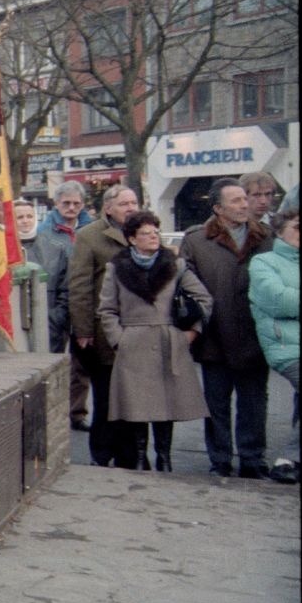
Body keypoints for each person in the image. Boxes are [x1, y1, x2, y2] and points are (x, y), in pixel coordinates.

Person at [97, 211, 213, 471]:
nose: (153, 237)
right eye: (145, 233)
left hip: (168, 341)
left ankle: (165, 457)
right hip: (133, 342)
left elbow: (204, 299)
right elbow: (107, 309)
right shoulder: (116, 268)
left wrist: (191, 333)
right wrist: (119, 340)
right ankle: (140, 457)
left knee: (166, 403)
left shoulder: (175, 264)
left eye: (155, 232)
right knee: (138, 404)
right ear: (131, 239)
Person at [180, 178, 274, 478]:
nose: (245, 205)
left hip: (255, 335)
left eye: (244, 199)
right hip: (214, 336)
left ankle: (252, 458)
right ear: (218, 208)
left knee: (254, 402)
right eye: (236, 201)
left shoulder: (267, 237)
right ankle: (219, 458)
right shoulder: (196, 240)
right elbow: (185, 291)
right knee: (216, 404)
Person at [68, 183, 140, 467]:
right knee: (107, 395)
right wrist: (83, 330)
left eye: (134, 202)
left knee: (135, 398)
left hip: (139, 331)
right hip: (104, 332)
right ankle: (102, 452)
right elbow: (80, 286)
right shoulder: (89, 236)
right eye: (124, 204)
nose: (131, 208)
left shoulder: (144, 232)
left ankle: (131, 454)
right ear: (108, 208)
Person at [249, 207, 299, 484]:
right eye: (298, 226)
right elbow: (279, 301)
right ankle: (287, 459)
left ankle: (291, 462)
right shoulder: (264, 262)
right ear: (280, 231)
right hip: (287, 347)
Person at [39, 182, 93, 430]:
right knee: (54, 360)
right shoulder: (43, 232)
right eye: (66, 203)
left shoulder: (90, 229)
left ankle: (77, 412)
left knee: (82, 363)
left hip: (84, 303)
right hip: (55, 304)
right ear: (56, 204)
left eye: (76, 204)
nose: (71, 208)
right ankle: (53, 411)